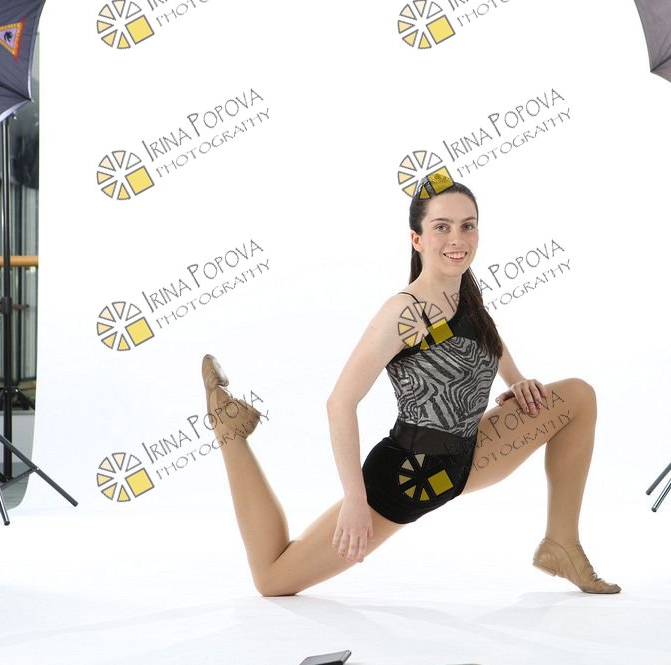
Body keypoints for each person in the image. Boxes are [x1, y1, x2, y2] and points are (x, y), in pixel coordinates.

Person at [201, 177, 620, 596]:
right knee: (273, 579)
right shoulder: (404, 313)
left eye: (467, 226)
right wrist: (355, 500)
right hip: (410, 476)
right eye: (442, 227)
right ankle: (231, 432)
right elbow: (340, 403)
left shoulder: (463, 291)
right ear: (416, 239)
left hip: (469, 455)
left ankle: (561, 544)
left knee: (578, 397)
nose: (457, 239)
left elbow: (485, 336)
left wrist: (518, 379)